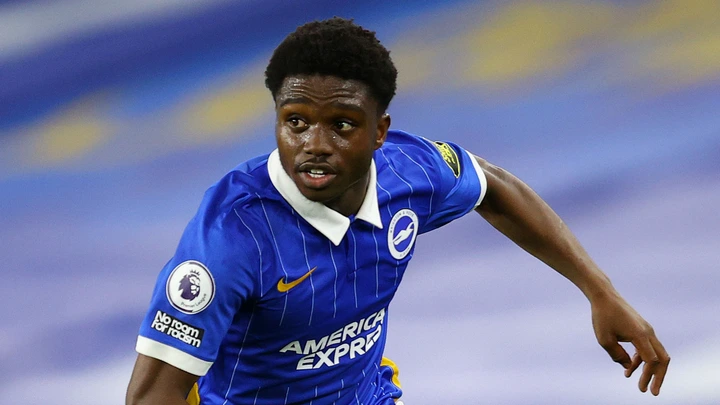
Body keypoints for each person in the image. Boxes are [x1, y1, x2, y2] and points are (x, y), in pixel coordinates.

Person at [125, 17, 670, 405]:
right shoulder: (232, 237)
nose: (314, 145)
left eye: (342, 124)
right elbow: (152, 396)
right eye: (295, 122)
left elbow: (494, 186)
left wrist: (600, 291)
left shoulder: (408, 172)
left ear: (380, 131)